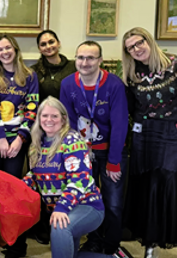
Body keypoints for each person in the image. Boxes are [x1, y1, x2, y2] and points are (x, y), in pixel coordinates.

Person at [122, 27, 177, 258]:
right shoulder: (132, 74)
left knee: (174, 188)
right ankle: (151, 245)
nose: (136, 50)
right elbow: (131, 109)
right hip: (145, 137)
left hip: (176, 136)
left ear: (149, 41)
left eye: (139, 43)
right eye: (130, 48)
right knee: (149, 188)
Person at [10, 98, 104, 258]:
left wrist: (61, 208)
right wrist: (13, 188)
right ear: (39, 119)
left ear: (63, 119)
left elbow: (79, 180)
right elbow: (34, 176)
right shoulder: (36, 145)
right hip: (63, 209)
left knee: (60, 227)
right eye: (44, 116)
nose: (49, 120)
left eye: (54, 116)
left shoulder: (72, 141)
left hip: (86, 206)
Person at [60, 41, 129, 257]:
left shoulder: (114, 85)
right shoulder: (68, 83)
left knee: (113, 202)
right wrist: (77, 152)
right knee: (88, 199)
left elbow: (119, 124)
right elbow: (68, 122)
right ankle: (93, 241)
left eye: (90, 58)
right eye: (80, 57)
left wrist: (114, 161)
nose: (85, 62)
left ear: (100, 60)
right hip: (82, 152)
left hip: (111, 151)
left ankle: (111, 245)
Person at [0, 35, 39, 177]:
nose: (5, 52)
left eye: (8, 47)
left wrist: (20, 138)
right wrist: (1, 136)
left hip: (16, 139)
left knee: (12, 182)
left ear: (15, 49)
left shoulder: (30, 76)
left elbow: (32, 109)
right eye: (0, 49)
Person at [33, 29, 76, 101]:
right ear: (39, 49)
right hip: (44, 111)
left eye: (51, 42)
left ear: (59, 43)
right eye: (43, 44)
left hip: (69, 110)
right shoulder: (34, 71)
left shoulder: (74, 67)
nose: (48, 47)